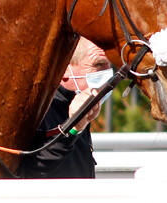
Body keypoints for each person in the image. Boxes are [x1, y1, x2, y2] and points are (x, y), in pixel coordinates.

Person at [19, 37, 113, 178]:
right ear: (64, 69)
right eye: (99, 64)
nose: (108, 73)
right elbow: (34, 170)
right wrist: (73, 128)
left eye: (109, 65)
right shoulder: (43, 108)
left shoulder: (76, 101)